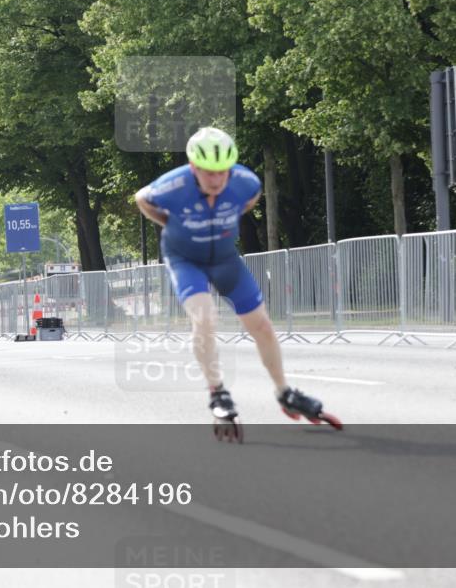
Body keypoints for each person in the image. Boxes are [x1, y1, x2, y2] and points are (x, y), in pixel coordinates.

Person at [134, 126, 338, 434]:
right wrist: (170, 224)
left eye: (222, 172)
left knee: (262, 325)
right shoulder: (173, 186)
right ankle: (217, 391)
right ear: (193, 167)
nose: (216, 179)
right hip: (185, 258)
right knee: (205, 318)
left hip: (225, 259)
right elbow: (141, 198)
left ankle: (284, 393)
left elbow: (249, 201)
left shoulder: (246, 183)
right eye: (208, 173)